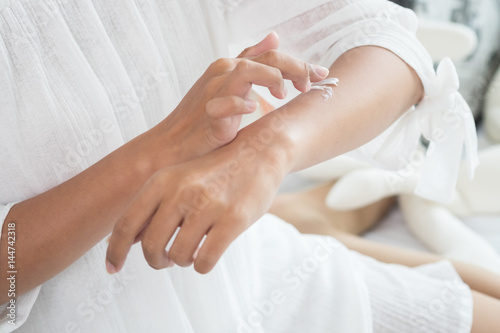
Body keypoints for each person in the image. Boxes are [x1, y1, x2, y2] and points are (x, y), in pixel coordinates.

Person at [0, 0, 497, 332]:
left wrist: (267, 151)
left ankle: (312, 223)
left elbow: (392, 50)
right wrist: (158, 152)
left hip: (253, 273)